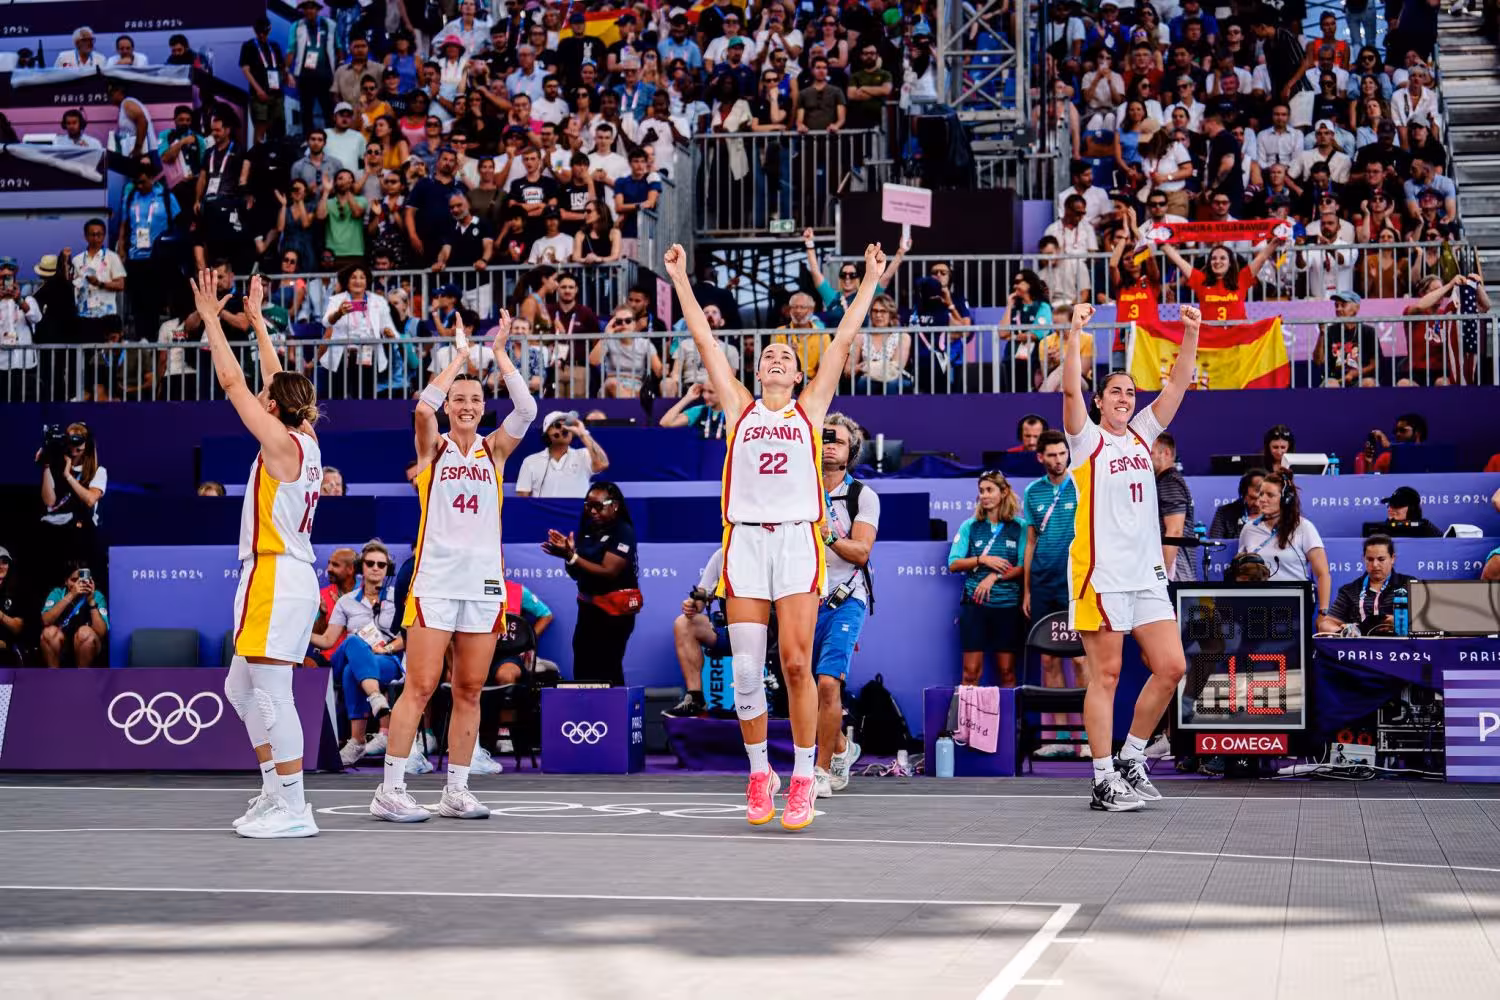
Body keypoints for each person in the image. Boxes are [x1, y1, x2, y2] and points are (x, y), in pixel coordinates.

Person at [664, 240, 882, 832]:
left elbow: (841, 342)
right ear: (758, 371)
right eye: (768, 354)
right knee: (743, 671)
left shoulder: (810, 412)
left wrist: (868, 283)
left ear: (798, 371)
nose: (777, 358)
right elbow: (706, 343)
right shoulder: (740, 408)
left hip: (795, 542)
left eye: (786, 354)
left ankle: (806, 776)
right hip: (745, 543)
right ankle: (761, 771)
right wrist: (682, 280)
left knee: (794, 663)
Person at [372, 311, 536, 824]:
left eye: (473, 400)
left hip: (484, 586)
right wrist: (461, 360)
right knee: (420, 686)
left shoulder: (495, 451)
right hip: (436, 581)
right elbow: (422, 406)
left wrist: (501, 352)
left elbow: (527, 408)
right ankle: (390, 790)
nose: (465, 406)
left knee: (469, 690)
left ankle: (456, 790)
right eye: (458, 400)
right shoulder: (433, 449)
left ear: (484, 407)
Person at [191, 270, 321, 839]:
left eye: (267, 398)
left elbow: (232, 381)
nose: (262, 396)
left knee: (270, 696)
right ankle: (275, 790)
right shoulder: (304, 437)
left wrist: (215, 321)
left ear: (274, 407)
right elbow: (273, 377)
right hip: (277, 575)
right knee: (240, 690)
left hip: (277, 574)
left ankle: (295, 807)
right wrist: (260, 321)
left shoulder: (278, 442)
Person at [1062, 301, 1201, 812]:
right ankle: (1102, 779)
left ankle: (1133, 759)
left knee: (1171, 667)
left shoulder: (1143, 435)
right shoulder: (1086, 439)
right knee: (1107, 676)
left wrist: (1191, 333)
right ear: (1101, 401)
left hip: (1145, 576)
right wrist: (1075, 333)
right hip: (1101, 574)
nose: (1125, 397)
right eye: (1115, 391)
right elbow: (1070, 389)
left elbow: (1179, 386)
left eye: (1130, 391)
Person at [812, 413, 877, 798]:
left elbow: (862, 553)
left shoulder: (861, 495)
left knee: (826, 683)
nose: (828, 446)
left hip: (846, 598)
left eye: (836, 440)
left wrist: (828, 535)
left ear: (851, 449)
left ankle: (821, 770)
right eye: (823, 439)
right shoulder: (799, 491)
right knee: (804, 688)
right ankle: (840, 746)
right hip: (802, 598)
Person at [1022, 429, 1088, 757]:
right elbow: (1031, 541)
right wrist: (1028, 589)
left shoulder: (1080, 483)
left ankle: (1089, 740)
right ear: (1041, 458)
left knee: (1080, 659)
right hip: (1044, 584)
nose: (1058, 460)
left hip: (1076, 582)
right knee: (1048, 660)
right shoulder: (1033, 492)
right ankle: (1059, 738)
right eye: (1052, 455)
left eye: (1063, 453)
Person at [312, 539, 405, 767]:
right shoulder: (346, 601)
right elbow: (327, 640)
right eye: (370, 563)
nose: (375, 568)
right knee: (354, 641)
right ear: (361, 567)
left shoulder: (398, 597)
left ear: (388, 569)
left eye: (381, 565)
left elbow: (408, 636)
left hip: (386, 658)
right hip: (348, 653)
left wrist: (387, 647)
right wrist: (299, 634)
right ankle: (376, 698)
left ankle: (357, 742)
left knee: (351, 673)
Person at [540, 482, 642, 686]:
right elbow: (577, 573)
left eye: (598, 506)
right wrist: (568, 556)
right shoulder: (586, 530)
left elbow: (609, 571)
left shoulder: (623, 531)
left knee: (608, 665)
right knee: (583, 664)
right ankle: (586, 713)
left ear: (614, 505)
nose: (592, 511)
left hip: (614, 613)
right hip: (587, 609)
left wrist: (573, 556)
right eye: (588, 506)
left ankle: (614, 714)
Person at [949, 470, 1026, 687]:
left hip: (1007, 606)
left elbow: (1022, 566)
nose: (984, 495)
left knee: (1007, 672)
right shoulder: (970, 526)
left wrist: (994, 577)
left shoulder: (1018, 527)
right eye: (981, 491)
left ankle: (1010, 722)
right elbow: (954, 563)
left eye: (990, 490)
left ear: (1003, 492)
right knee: (971, 672)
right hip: (975, 606)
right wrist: (982, 559)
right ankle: (968, 721)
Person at [1238, 472, 1333, 615]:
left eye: (1270, 495)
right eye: (1261, 493)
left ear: (1286, 499)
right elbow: (1241, 571)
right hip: (1257, 607)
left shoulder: (1304, 527)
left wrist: (1323, 612)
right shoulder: (1249, 529)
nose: (1262, 499)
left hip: (1294, 605)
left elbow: (1322, 574)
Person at [666, 547, 731, 718]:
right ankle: (695, 699)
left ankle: (784, 700)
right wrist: (692, 603)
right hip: (730, 631)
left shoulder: (767, 554)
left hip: (766, 632)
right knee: (684, 623)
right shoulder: (722, 556)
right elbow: (702, 597)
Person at [1316, 535, 1416, 635]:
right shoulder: (1349, 590)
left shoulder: (1408, 585)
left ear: (1392, 558)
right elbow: (1325, 625)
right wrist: (1345, 632)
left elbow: (1425, 622)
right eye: (1370, 559)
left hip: (1400, 647)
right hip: (1360, 648)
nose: (1375, 565)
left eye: (1381, 559)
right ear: (1364, 559)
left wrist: (1401, 622)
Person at [514, 411, 610, 497]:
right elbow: (522, 498)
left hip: (576, 515)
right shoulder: (530, 461)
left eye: (567, 425)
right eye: (557, 425)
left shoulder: (584, 455)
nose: (563, 429)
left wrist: (583, 433)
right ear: (546, 435)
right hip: (543, 516)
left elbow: (603, 463)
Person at [39, 562, 109, 667]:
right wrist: (71, 595)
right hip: (62, 644)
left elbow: (102, 632)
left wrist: (91, 602)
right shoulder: (57, 593)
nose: (78, 584)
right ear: (66, 581)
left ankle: (82, 681)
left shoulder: (97, 596)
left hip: (87, 646)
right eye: (74, 580)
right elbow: (45, 620)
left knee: (84, 633)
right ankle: (53, 678)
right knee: (48, 633)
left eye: (81, 580)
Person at [1151, 432, 1196, 582]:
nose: (1144, 458)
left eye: (1150, 453)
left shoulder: (1169, 482)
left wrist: (1161, 577)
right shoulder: (1165, 481)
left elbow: (1175, 532)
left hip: (1175, 574)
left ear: (1166, 453)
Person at [1209, 468, 1269, 539]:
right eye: (1252, 498)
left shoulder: (1277, 515)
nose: (1256, 504)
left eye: (1261, 498)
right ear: (1243, 494)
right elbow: (1215, 545)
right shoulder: (1224, 513)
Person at [1371, 485, 1443, 538]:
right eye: (1389, 505)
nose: (1390, 509)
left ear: (1412, 509)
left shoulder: (1427, 529)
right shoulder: (1381, 531)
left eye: (1397, 505)